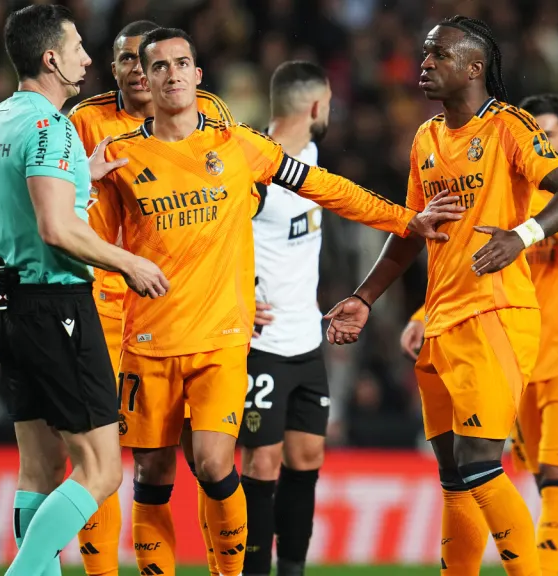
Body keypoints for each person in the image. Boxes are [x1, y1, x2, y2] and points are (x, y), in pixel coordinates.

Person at [89, 27, 463, 576]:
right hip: (147, 341)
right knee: (152, 475)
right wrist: (87, 194)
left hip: (221, 341)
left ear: (198, 74)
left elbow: (325, 187)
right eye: (159, 65)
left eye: (182, 63)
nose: (171, 74)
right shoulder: (119, 158)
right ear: (144, 77)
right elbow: (89, 246)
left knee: (214, 464)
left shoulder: (238, 145)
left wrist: (406, 219)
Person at [325, 15, 558, 575]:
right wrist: (365, 298)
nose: (424, 64)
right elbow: (412, 232)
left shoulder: (508, 127)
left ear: (474, 67)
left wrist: (521, 236)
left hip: (495, 313)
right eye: (425, 53)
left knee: (478, 463)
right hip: (441, 321)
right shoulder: (426, 137)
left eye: (438, 55)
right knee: (453, 475)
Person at [0, 6, 167, 576]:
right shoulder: (51, 127)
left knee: (38, 469)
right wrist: (127, 262)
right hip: (56, 304)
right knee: (101, 471)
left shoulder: (0, 120)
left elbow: (26, 197)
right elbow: (56, 229)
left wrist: (81, 173)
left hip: (11, 305)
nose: (88, 58)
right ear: (51, 58)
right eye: (78, 47)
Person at [402, 93, 558, 576]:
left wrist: (510, 184)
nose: (538, 143)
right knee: (548, 482)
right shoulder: (509, 190)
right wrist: (422, 313)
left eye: (547, 134)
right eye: (532, 134)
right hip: (515, 349)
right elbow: (469, 258)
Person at [67, 19, 236, 576]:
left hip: (178, 308)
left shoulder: (206, 112)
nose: (143, 71)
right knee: (101, 456)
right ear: (116, 69)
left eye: (154, 61)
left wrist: (240, 284)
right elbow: (57, 203)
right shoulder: (86, 121)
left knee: (202, 457)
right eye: (130, 60)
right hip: (101, 308)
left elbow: (235, 199)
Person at [238, 61, 333, 576]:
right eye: (329, 103)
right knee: (261, 462)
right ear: (316, 106)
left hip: (307, 341)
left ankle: (292, 570)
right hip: (263, 344)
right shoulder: (252, 167)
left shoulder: (312, 158)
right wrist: (237, 296)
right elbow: (214, 237)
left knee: (307, 457)